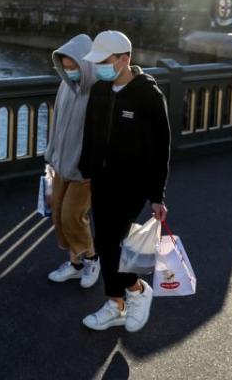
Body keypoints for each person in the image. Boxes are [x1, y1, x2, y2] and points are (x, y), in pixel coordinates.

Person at [77, 30, 170, 333]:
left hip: (132, 185)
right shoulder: (100, 90)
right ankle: (115, 303)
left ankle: (137, 290)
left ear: (124, 59)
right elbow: (90, 135)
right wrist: (88, 172)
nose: (100, 67)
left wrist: (157, 195)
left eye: (105, 61)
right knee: (104, 242)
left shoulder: (148, 96)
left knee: (114, 242)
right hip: (101, 180)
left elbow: (161, 149)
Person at [43, 34, 100, 288]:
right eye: (65, 67)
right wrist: (50, 155)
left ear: (85, 64)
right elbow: (56, 124)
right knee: (58, 214)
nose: (69, 72)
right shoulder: (64, 86)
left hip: (84, 170)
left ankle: (92, 258)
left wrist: (94, 167)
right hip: (61, 164)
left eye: (73, 67)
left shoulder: (99, 91)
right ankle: (76, 264)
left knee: (72, 216)